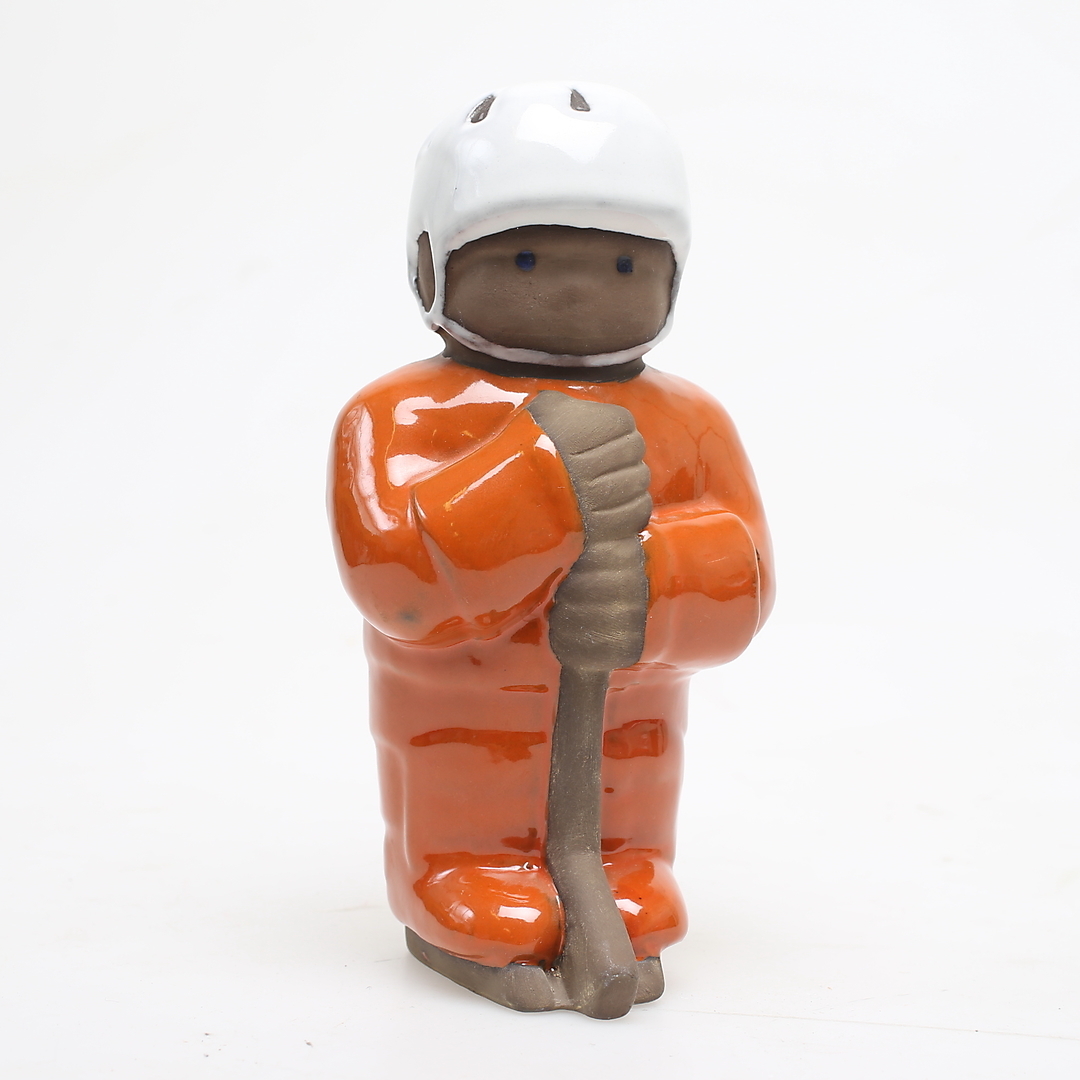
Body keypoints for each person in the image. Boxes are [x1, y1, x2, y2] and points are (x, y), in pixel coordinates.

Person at [330, 82, 773, 1018]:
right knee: (463, 774)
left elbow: (749, 575)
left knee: (634, 785)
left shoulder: (693, 421)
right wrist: (533, 483)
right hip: (455, 723)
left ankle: (624, 865)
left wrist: (656, 584)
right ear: (432, 264)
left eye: (623, 263)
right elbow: (395, 585)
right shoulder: (395, 417)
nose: (577, 288)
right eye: (526, 257)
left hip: (633, 723)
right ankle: (459, 872)